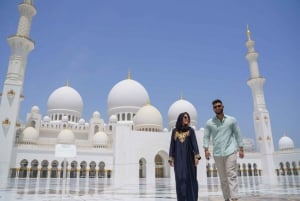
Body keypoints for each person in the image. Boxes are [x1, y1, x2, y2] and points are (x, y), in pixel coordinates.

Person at [203, 99, 244, 201]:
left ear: (223, 106)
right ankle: (226, 198)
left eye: (219, 106)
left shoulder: (231, 120)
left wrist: (241, 148)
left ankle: (234, 198)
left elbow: (238, 134)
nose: (217, 108)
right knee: (223, 178)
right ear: (213, 109)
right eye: (215, 107)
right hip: (217, 153)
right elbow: (206, 137)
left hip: (230, 151)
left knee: (231, 175)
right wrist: (206, 149)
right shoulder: (209, 123)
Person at [169, 112, 201, 201]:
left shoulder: (191, 131)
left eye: (188, 117)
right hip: (178, 160)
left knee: (190, 179)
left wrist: (197, 156)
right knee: (180, 179)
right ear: (180, 119)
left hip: (189, 159)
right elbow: (172, 145)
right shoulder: (174, 131)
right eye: (185, 117)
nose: (187, 119)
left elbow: (195, 143)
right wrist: (171, 157)